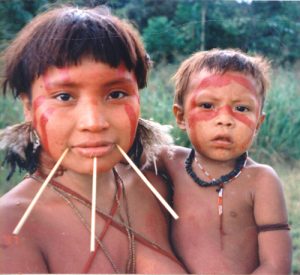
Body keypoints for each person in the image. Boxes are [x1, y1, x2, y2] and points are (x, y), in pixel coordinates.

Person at [0, 6, 187, 274]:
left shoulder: (158, 186)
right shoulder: (12, 225)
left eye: (116, 94)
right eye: (64, 97)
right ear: (28, 107)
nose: (94, 122)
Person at [155, 49, 292, 274]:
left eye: (241, 108)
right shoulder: (168, 161)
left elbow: (276, 265)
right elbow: (123, 148)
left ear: (258, 122)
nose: (225, 120)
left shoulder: (261, 180)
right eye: (208, 106)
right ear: (181, 117)